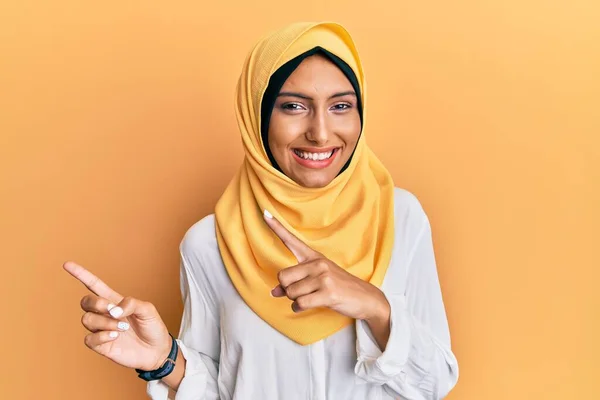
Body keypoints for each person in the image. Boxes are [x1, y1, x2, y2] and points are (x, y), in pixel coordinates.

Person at [64, 21, 459, 399]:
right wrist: (165, 362)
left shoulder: (400, 219)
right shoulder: (209, 243)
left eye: (340, 106)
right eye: (293, 107)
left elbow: (434, 384)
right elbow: (226, 389)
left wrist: (375, 307)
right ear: (258, 115)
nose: (321, 132)